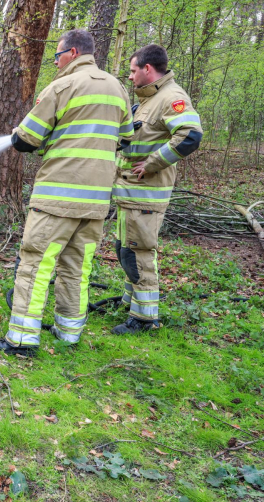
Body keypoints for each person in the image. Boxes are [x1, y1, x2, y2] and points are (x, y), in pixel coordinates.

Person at [0, 29, 134, 357]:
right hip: (96, 201)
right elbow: (126, 138)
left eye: (57, 56)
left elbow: (27, 139)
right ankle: (69, 334)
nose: (55, 62)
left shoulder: (62, 86)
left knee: (36, 262)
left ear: (71, 52)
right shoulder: (117, 88)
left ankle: (22, 339)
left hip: (57, 197)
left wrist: (18, 134)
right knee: (77, 266)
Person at [112, 44, 203, 334]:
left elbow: (190, 135)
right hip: (130, 193)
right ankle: (131, 300)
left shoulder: (171, 97)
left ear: (147, 69)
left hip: (146, 193)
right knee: (125, 248)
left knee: (138, 253)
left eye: (133, 70)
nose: (130, 77)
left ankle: (144, 318)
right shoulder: (150, 99)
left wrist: (151, 164)